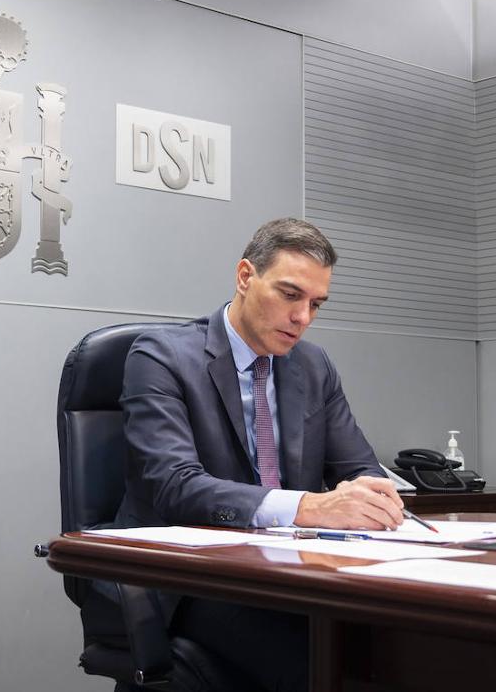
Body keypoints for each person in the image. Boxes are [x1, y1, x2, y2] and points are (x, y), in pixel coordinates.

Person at [115, 217, 403, 691]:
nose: (303, 318)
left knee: (406, 644)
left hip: (291, 575)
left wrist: (375, 498)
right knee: (330, 667)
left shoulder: (313, 365)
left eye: (316, 304)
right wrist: (309, 506)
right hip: (196, 583)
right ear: (246, 277)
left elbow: (361, 469)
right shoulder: (161, 357)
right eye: (290, 296)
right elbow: (173, 485)